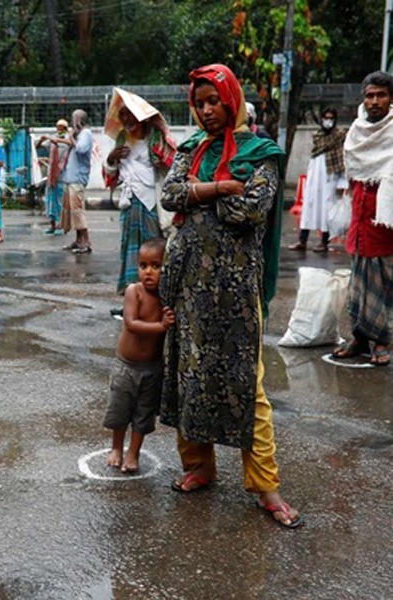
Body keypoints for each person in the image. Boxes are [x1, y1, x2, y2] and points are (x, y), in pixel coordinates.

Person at [159, 64, 302, 529]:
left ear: (232, 101)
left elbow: (252, 208)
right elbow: (170, 194)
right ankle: (198, 466)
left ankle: (266, 487)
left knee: (248, 389)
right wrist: (219, 186)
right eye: (198, 103)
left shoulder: (261, 153)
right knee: (190, 379)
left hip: (236, 292)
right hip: (188, 290)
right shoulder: (191, 148)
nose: (205, 111)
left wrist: (196, 195)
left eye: (213, 102)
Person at [332, 71, 393, 367]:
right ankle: (359, 338)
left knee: (384, 283)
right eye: (370, 95)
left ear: (391, 99)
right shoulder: (356, 130)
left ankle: (382, 340)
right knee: (358, 283)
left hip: (386, 223)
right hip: (360, 219)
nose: (375, 101)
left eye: (381, 95)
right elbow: (352, 171)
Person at [103, 238, 173, 473]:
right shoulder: (135, 292)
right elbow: (131, 324)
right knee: (120, 409)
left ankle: (133, 453)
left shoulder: (165, 297)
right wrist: (161, 326)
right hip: (126, 365)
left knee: (144, 414)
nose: (149, 272)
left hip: (152, 368)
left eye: (156, 266)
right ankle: (116, 447)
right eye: (143, 266)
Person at [103, 88, 176, 293]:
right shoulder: (121, 140)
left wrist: (160, 158)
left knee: (154, 247)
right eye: (123, 115)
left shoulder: (156, 139)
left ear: (142, 117)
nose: (127, 119)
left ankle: (156, 297)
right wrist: (111, 158)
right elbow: (110, 174)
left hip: (152, 202)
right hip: (129, 203)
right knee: (130, 249)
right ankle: (132, 294)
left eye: (131, 114)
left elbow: (172, 164)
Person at [289, 107, 347, 253]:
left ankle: (324, 242)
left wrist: (342, 182)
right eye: (325, 118)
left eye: (331, 118)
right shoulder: (318, 136)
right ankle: (302, 240)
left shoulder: (340, 136)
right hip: (315, 178)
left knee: (327, 211)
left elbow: (344, 161)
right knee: (309, 208)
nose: (328, 121)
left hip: (330, 179)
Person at [55, 109, 94, 254]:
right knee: (72, 212)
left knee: (78, 211)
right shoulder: (79, 134)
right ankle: (78, 240)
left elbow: (81, 149)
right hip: (70, 178)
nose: (72, 121)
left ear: (79, 120)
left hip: (77, 178)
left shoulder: (86, 134)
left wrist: (71, 137)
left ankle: (86, 242)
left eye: (74, 118)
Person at [36, 118, 69, 236]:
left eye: (61, 127)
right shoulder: (52, 139)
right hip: (51, 174)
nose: (59, 129)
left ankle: (61, 226)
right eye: (57, 127)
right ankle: (52, 225)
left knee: (59, 202)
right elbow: (39, 146)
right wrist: (41, 140)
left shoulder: (67, 140)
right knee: (50, 201)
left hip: (61, 175)